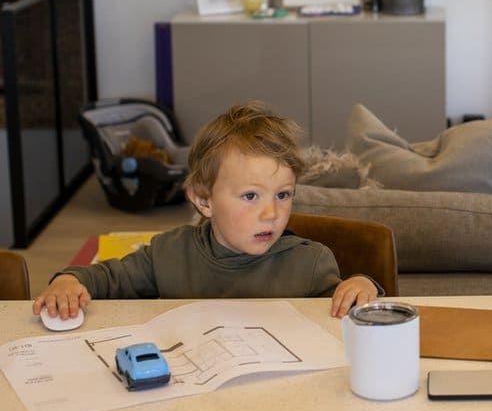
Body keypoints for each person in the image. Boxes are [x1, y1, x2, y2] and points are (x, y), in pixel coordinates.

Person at [33, 102, 379, 319]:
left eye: (284, 194)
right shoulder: (167, 253)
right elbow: (107, 279)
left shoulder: (311, 262)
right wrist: (68, 280)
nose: (272, 213)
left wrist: (364, 285)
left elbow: (349, 313)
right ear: (203, 200)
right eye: (250, 196)